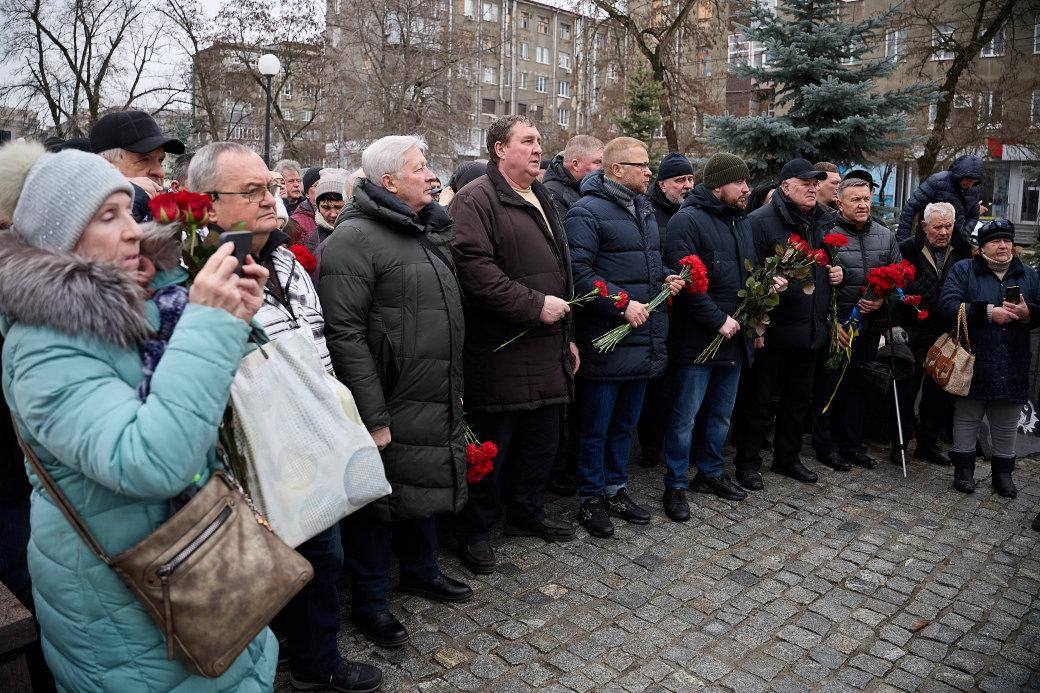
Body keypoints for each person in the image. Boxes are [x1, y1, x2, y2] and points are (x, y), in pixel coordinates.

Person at [0, 141, 275, 690]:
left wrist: (230, 318)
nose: (133, 230)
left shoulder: (140, 303)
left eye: (129, 210)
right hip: (126, 612)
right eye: (108, 216)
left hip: (193, 562)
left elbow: (189, 421)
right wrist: (208, 324)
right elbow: (152, 462)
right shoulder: (44, 345)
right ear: (60, 236)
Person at [186, 142, 380, 692]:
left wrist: (335, 413)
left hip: (309, 428)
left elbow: (318, 342)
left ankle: (316, 658)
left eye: (270, 187)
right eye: (251, 191)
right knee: (267, 563)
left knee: (322, 551)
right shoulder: (195, 275)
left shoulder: (287, 260)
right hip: (246, 447)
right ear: (207, 204)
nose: (270, 199)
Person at [317, 135, 471, 648]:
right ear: (388, 182)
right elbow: (344, 333)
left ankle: (422, 570)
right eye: (419, 168)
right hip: (388, 394)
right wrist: (373, 414)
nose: (431, 175)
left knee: (419, 481)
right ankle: (371, 602)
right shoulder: (353, 239)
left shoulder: (421, 228)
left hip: (429, 385)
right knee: (377, 503)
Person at [449, 115, 579, 573]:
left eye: (539, 140)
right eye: (527, 141)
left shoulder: (541, 194)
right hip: (501, 351)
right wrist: (534, 306)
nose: (538, 147)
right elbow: (475, 271)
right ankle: (475, 532)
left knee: (541, 442)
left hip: (546, 347)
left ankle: (526, 513)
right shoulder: (475, 199)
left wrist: (567, 339)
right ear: (500, 149)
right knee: (494, 448)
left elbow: (561, 271)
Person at [564, 136, 683, 537]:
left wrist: (666, 276)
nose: (650, 172)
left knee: (623, 427)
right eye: (641, 165)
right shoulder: (586, 212)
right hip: (607, 340)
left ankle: (616, 489)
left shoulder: (643, 208)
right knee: (595, 428)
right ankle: (590, 498)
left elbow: (646, 264)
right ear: (616, 170)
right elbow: (578, 274)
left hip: (641, 339)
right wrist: (621, 303)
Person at [662, 153, 779, 517]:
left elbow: (745, 274)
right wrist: (717, 320)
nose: (747, 189)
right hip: (698, 341)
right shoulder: (686, 221)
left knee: (721, 415)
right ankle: (675, 484)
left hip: (735, 338)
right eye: (739, 182)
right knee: (685, 417)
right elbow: (687, 284)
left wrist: (765, 286)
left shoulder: (740, 220)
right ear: (717, 185)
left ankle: (710, 472)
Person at [733, 158, 843, 489]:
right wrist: (759, 315)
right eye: (805, 183)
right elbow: (748, 272)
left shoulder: (823, 220)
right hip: (773, 330)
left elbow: (823, 265)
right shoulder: (760, 221)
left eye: (815, 183)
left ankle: (787, 457)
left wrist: (835, 273)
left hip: (810, 327)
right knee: (759, 401)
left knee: (798, 400)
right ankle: (747, 462)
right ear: (785, 186)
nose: (812, 188)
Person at [939, 218, 1039, 497]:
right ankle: (963, 471)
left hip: (1013, 359)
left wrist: (1027, 313)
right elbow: (947, 305)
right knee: (967, 416)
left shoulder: (1028, 274)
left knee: (1006, 420)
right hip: (974, 358)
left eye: (1007, 240)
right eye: (995, 241)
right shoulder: (964, 270)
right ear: (982, 247)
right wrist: (987, 313)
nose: (1002, 245)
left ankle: (1003, 474)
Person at [811, 177, 901, 471]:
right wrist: (830, 323)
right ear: (839, 203)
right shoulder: (825, 234)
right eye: (855, 200)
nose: (863, 205)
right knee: (830, 387)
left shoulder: (885, 236)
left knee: (858, 387)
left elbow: (899, 282)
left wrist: (882, 301)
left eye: (866, 199)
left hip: (869, 327)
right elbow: (814, 287)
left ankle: (851, 444)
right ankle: (825, 446)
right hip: (836, 328)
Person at [894, 202, 972, 465]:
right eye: (938, 227)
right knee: (906, 391)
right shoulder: (906, 249)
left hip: (946, 332)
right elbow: (895, 288)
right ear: (924, 226)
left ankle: (928, 444)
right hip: (913, 331)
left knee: (938, 394)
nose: (944, 232)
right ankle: (900, 444)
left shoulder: (963, 250)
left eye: (948, 226)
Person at [637, 151, 696, 469]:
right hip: (658, 308)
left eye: (690, 179)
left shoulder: (692, 211)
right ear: (661, 184)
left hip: (686, 310)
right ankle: (650, 445)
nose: (687, 185)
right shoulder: (647, 211)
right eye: (679, 180)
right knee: (656, 384)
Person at [89, 109, 186, 222]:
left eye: (160, 160)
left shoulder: (167, 213)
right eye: (144, 159)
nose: (160, 172)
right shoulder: (81, 216)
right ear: (105, 166)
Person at [897, 154, 984, 243]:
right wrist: (902, 241)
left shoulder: (974, 189)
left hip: (954, 244)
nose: (970, 185)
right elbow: (910, 209)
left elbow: (973, 216)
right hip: (927, 241)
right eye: (969, 180)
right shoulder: (937, 182)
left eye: (974, 181)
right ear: (960, 174)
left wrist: (963, 235)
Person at [542, 135, 604, 219]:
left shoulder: (599, 185)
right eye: (597, 162)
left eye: (604, 162)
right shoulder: (552, 193)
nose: (603, 167)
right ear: (576, 164)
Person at [311, 169, 349, 247]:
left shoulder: (362, 233)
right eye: (326, 207)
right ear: (318, 207)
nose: (333, 214)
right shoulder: (312, 240)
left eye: (339, 207)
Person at [286, 167, 321, 248]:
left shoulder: (338, 214)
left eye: (298, 181)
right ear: (307, 193)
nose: (296, 184)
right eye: (317, 185)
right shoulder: (296, 223)